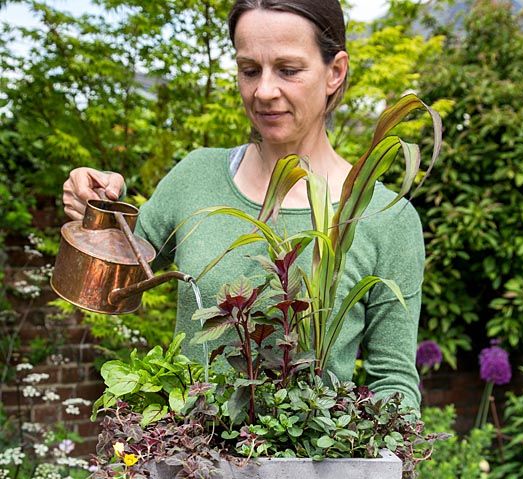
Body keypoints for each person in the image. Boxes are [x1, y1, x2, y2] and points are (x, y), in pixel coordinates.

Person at [62, 0, 425, 411]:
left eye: (288, 70)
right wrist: (98, 214)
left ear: (335, 72)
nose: (264, 91)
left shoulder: (385, 216)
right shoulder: (196, 176)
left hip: (315, 470)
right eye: (249, 69)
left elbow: (393, 381)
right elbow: (114, 289)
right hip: (191, 466)